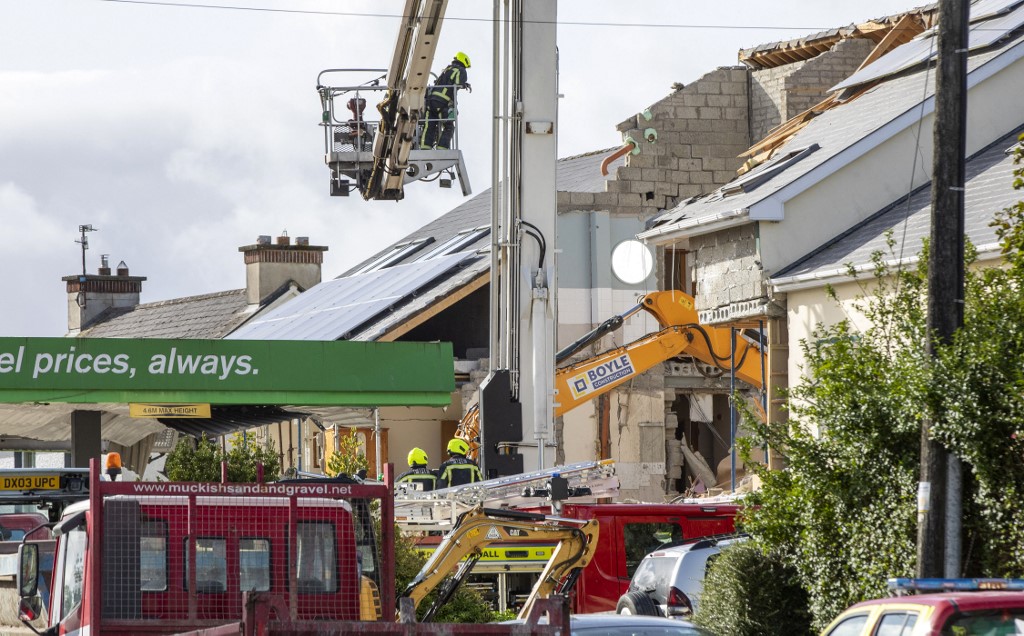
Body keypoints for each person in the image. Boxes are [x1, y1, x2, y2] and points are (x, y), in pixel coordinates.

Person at [420, 52, 471, 150]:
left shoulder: (446, 69)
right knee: (449, 127)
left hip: (430, 102)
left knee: (429, 126)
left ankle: (425, 148)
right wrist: (465, 85)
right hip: (442, 103)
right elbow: (458, 83)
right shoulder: (461, 70)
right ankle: (442, 148)